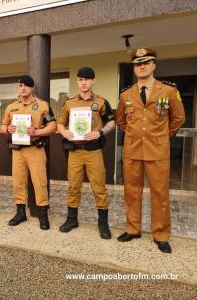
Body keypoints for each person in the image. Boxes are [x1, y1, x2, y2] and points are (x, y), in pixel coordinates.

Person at [116, 48, 185, 253]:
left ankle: (161, 235)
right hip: (133, 151)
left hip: (157, 151)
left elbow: (178, 118)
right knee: (131, 192)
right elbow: (120, 121)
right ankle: (132, 229)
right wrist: (134, 135)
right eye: (138, 64)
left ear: (153, 65)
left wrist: (162, 136)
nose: (142, 66)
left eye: (146, 62)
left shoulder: (169, 91)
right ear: (135, 68)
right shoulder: (126, 94)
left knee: (160, 194)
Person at [57, 67, 116, 239]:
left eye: (87, 79)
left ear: (93, 81)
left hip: (93, 151)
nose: (83, 83)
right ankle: (72, 219)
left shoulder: (102, 102)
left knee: (99, 187)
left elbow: (112, 123)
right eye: (80, 79)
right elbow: (61, 123)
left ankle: (103, 223)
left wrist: (100, 133)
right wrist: (64, 132)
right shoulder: (69, 103)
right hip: (75, 152)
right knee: (73, 186)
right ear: (77, 81)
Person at [1, 75, 57, 230]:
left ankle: (43, 215)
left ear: (32, 88)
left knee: (40, 182)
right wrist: (8, 129)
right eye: (20, 85)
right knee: (18, 182)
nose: (23, 88)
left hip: (35, 150)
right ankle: (20, 213)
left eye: (26, 85)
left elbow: (53, 126)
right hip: (18, 151)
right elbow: (3, 127)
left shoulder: (42, 106)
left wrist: (37, 131)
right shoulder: (11, 107)